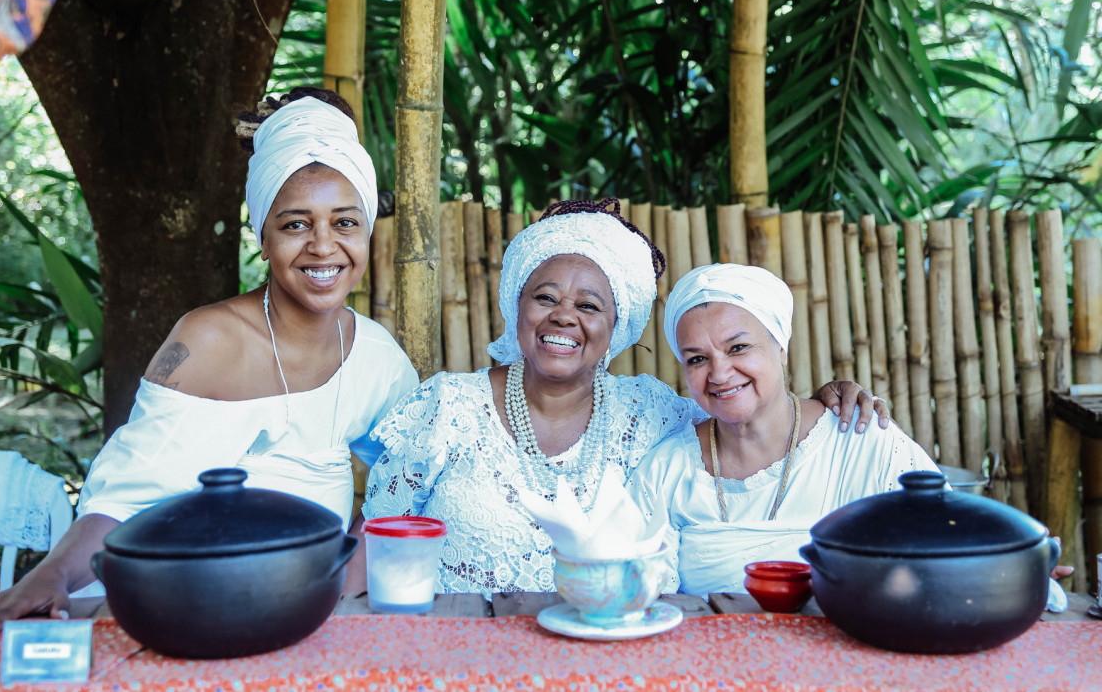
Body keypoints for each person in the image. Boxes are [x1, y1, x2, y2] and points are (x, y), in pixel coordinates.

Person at [0, 88, 418, 620]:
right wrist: (53, 576)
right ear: (262, 235)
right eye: (295, 224)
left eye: (345, 222)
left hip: (307, 615)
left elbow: (412, 479)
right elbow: (124, 502)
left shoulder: (376, 359)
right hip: (178, 610)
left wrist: (346, 578)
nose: (323, 245)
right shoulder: (206, 342)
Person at [361, 201, 884, 595]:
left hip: (609, 660)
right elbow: (374, 555)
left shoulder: (651, 413)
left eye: (589, 305)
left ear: (616, 330)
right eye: (545, 297)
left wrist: (824, 402)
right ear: (515, 307)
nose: (563, 316)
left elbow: (743, 415)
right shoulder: (446, 409)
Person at [627, 263, 948, 595]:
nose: (719, 374)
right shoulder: (666, 471)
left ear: (781, 346)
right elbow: (645, 601)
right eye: (697, 359)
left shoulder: (862, 443)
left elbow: (946, 557)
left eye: (738, 348)